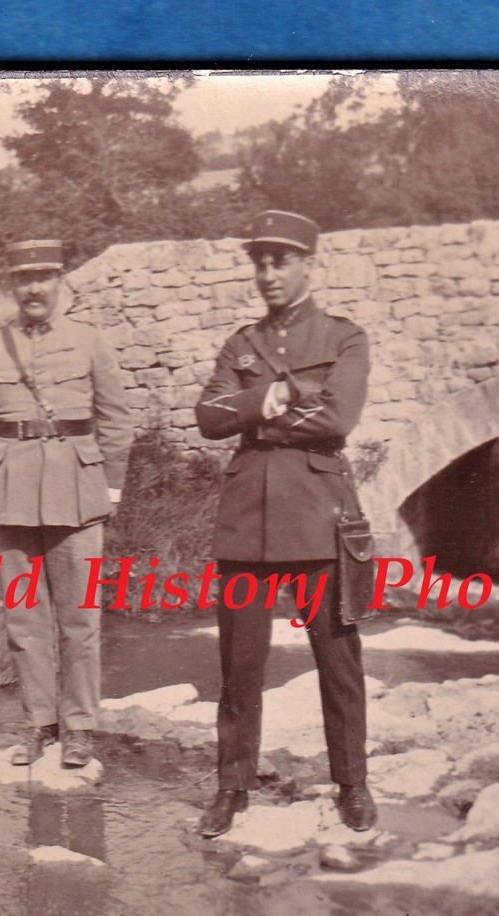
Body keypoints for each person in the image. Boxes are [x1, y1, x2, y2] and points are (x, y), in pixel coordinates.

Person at [192, 210, 377, 837]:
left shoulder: (343, 338)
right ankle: (231, 786)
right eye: (260, 262)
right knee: (240, 666)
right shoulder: (239, 344)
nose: (268, 273)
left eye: (281, 261)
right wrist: (266, 401)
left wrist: (257, 414)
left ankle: (352, 782)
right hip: (247, 524)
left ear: (307, 266)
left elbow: (339, 419)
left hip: (318, 519)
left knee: (338, 659)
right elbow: (208, 416)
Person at [0, 240, 134, 770]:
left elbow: (116, 419)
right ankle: (40, 724)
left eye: (44, 276)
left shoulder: (89, 341)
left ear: (60, 282)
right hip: (9, 500)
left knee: (79, 619)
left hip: (78, 496)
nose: (34, 287)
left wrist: (110, 491)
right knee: (23, 620)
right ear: (11, 285)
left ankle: (80, 727)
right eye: (23, 278)